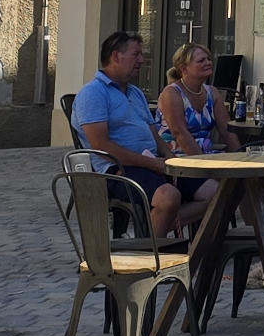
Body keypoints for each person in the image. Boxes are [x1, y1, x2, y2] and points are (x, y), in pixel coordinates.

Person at [70, 31, 182, 236]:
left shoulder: (135, 92)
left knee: (213, 190)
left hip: (152, 164)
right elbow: (101, 145)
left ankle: (167, 235)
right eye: (136, 54)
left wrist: (171, 159)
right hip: (117, 171)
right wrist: (152, 164)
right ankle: (148, 258)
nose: (142, 60)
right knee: (168, 198)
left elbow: (154, 135)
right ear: (115, 56)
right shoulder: (93, 93)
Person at [156, 43, 241, 206]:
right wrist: (204, 166)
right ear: (184, 69)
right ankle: (179, 224)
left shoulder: (212, 92)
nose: (208, 63)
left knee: (248, 179)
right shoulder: (172, 93)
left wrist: (241, 158)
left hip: (207, 155)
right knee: (224, 188)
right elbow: (180, 133)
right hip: (178, 159)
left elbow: (226, 130)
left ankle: (256, 229)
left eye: (208, 59)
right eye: (201, 60)